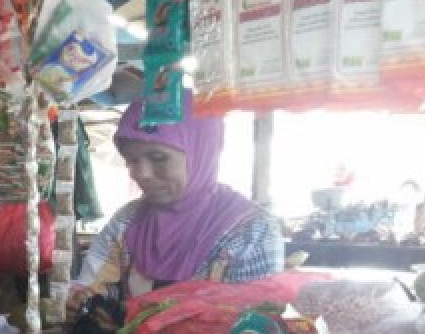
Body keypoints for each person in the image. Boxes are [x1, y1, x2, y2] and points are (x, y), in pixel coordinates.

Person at [78, 93, 284, 298]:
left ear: (201, 151)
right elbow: (89, 291)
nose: (142, 174)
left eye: (158, 158)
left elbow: (255, 323)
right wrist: (79, 301)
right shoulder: (126, 221)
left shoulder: (253, 232)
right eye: (131, 160)